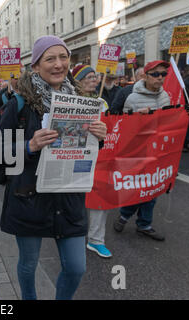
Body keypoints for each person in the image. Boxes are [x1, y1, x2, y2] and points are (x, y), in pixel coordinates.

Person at [0, 36, 107, 300]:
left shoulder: (82, 100)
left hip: (68, 197)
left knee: (76, 267)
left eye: (63, 57)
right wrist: (28, 146)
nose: (59, 64)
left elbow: (85, 151)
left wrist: (98, 138)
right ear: (35, 66)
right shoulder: (19, 105)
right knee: (29, 264)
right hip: (29, 198)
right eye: (50, 58)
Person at [114, 60, 170, 241]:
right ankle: (124, 214)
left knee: (152, 189)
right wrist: (138, 117)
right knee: (137, 187)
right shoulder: (132, 98)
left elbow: (170, 123)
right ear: (145, 76)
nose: (160, 78)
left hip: (157, 152)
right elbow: (123, 126)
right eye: (155, 74)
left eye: (163, 74)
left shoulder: (165, 97)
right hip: (137, 152)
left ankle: (144, 224)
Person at [72, 65, 111, 258]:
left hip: (99, 155)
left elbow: (111, 127)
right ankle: (71, 237)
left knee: (99, 196)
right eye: (88, 76)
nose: (93, 79)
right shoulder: (70, 100)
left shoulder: (103, 102)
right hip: (75, 156)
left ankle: (96, 240)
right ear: (77, 81)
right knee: (74, 198)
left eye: (95, 76)